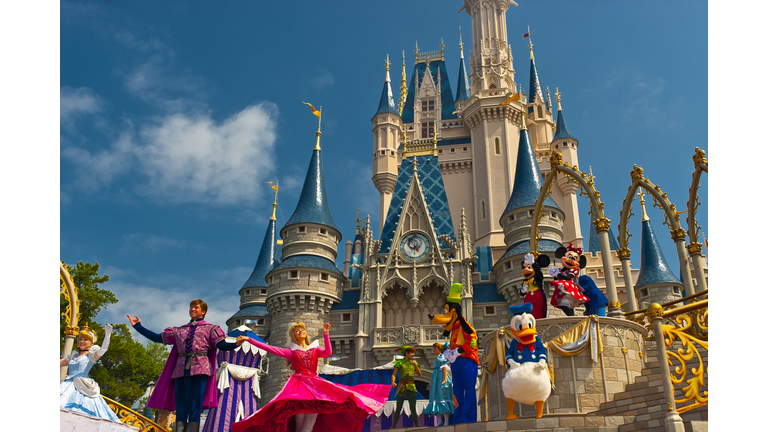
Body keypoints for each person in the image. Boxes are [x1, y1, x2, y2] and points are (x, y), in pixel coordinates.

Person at [231, 322, 390, 432]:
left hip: (315, 387)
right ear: (294, 335)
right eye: (297, 331)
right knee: (299, 420)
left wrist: (326, 335)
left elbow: (328, 353)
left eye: (302, 330)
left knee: (311, 419)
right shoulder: (291, 352)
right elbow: (268, 347)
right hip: (299, 387)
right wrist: (249, 339)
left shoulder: (315, 349)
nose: (300, 332)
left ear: (305, 333)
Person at [128, 299, 238, 432]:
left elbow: (222, 345)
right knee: (180, 405)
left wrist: (236, 343)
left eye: (196, 307)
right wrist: (138, 326)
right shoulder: (179, 330)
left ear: (203, 311)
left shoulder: (211, 329)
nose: (192, 309)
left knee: (195, 406)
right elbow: (157, 338)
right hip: (180, 370)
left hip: (201, 369)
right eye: (191, 307)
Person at [59, 323, 121, 422]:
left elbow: (103, 349)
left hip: (83, 386)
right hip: (67, 384)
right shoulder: (73, 356)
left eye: (85, 339)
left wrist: (108, 334)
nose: (82, 341)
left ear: (92, 343)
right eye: (80, 339)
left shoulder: (91, 356)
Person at [390, 345, 422, 428]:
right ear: (406, 353)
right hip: (402, 387)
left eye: (413, 353)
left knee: (413, 409)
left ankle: (417, 426)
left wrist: (415, 365)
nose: (413, 354)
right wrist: (393, 382)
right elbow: (394, 374)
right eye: (411, 353)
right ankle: (393, 426)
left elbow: (419, 374)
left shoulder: (414, 363)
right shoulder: (399, 363)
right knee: (398, 408)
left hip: (411, 387)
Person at [423, 342, 453, 427]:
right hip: (436, 380)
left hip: (441, 379)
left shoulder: (442, 357)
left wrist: (444, 380)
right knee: (436, 399)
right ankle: (439, 421)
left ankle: (446, 421)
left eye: (435, 348)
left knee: (443, 398)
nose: (433, 350)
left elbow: (444, 368)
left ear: (439, 349)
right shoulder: (438, 358)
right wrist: (432, 383)